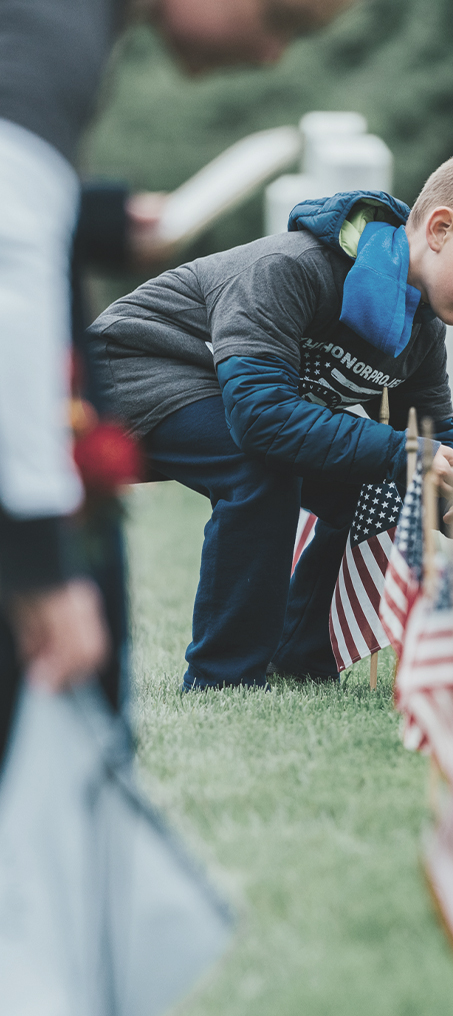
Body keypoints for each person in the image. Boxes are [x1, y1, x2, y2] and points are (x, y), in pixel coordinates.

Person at [0, 0, 354, 766]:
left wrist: (94, 221)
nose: (271, 57)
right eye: (281, 21)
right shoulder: (51, 30)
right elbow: (10, 286)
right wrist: (36, 558)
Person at [88, 145, 453, 689]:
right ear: (440, 228)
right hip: (128, 375)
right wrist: (409, 456)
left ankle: (302, 658)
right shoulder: (292, 269)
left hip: (217, 398)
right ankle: (225, 678)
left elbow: (431, 438)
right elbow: (261, 418)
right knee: (260, 465)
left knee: (372, 479)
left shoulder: (420, 328)